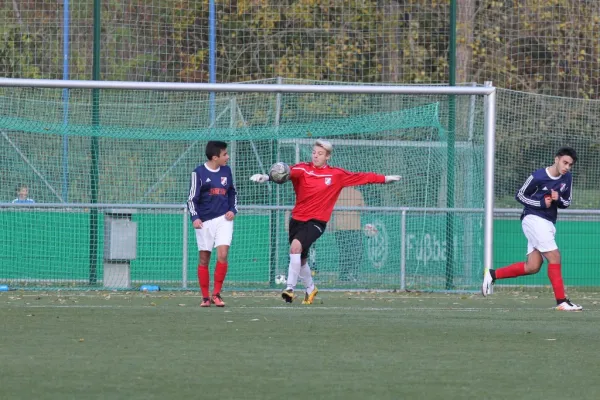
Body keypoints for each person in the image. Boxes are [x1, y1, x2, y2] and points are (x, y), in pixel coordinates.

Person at [250, 139, 401, 304]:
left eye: (320, 153)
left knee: (295, 247)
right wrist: (266, 177)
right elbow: (284, 173)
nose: (315, 156)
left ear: (328, 156)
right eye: (314, 152)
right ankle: (310, 288)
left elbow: (361, 177)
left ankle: (290, 288)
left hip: (317, 221)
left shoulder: (336, 175)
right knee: (301, 259)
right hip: (297, 219)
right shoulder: (302, 169)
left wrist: (384, 178)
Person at [482, 146, 582, 311]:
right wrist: (541, 203)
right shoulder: (538, 176)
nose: (567, 167)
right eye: (565, 162)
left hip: (548, 222)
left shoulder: (567, 178)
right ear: (556, 159)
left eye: (570, 165)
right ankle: (562, 301)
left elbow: (567, 202)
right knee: (555, 256)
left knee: (533, 266)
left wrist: (557, 200)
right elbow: (520, 195)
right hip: (533, 219)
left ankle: (492, 274)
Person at [187, 141, 237, 308]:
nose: (227, 157)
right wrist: (195, 217)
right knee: (204, 258)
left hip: (224, 219)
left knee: (223, 254)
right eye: (225, 154)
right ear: (215, 157)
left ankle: (216, 294)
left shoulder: (227, 171)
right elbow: (191, 199)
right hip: (204, 221)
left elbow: (232, 192)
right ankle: (205, 297)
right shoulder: (198, 173)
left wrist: (232, 209)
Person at [333, 186, 365, 281]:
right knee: (355, 253)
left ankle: (343, 275)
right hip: (355, 228)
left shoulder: (336, 193)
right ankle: (353, 274)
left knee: (344, 253)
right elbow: (363, 209)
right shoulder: (357, 193)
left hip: (340, 228)